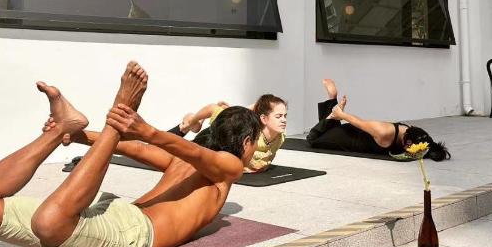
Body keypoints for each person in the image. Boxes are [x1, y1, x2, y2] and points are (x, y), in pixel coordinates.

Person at [0, 61, 260, 247]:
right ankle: (61, 129)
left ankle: (74, 125)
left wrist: (148, 131)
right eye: (255, 142)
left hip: (111, 224)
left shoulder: (209, 166)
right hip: (129, 230)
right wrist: (79, 135)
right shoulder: (228, 170)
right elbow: (134, 148)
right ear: (246, 142)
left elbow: (196, 154)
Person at [305, 78, 450, 161]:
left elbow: (429, 145)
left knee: (328, 130)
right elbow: (360, 123)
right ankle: (333, 107)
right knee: (313, 139)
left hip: (358, 134)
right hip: (349, 138)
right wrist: (342, 115)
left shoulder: (413, 132)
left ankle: (332, 102)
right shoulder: (384, 133)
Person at [169, 95, 287, 173]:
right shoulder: (248, 132)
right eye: (279, 116)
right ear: (264, 119)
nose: (284, 120)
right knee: (178, 151)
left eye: (285, 116)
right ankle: (190, 122)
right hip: (211, 137)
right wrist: (194, 121)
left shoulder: (280, 137)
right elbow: (212, 108)